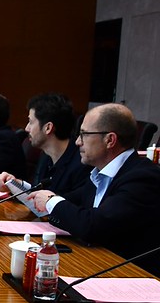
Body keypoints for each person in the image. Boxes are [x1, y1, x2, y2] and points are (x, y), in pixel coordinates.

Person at [27, 103, 160, 277]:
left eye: (84, 134)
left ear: (110, 140)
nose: (77, 142)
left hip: (130, 277)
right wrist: (29, 192)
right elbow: (67, 202)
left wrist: (51, 201)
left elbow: (93, 226)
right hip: (96, 265)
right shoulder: (100, 174)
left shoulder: (142, 177)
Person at [0, 93, 90, 195]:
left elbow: (57, 203)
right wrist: (14, 185)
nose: (26, 128)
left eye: (30, 122)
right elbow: (39, 193)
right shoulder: (46, 155)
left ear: (48, 128)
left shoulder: (81, 164)